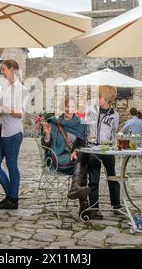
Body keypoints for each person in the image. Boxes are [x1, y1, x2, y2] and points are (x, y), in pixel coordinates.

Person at [70, 85, 121, 220]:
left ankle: (116, 204)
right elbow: (83, 124)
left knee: (112, 176)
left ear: (107, 98)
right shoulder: (92, 110)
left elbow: (114, 131)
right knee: (94, 179)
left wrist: (113, 143)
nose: (98, 98)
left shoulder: (115, 115)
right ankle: (94, 208)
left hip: (108, 149)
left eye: (100, 96)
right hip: (93, 148)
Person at [0, 60, 29, 210]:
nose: (2, 72)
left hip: (13, 132)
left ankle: (12, 200)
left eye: (4, 69)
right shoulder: (4, 88)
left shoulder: (23, 90)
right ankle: (11, 195)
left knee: (11, 164)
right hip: (0, 131)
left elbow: (21, 114)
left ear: (12, 70)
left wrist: (8, 110)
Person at [41, 96, 86, 214]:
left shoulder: (80, 124)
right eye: (67, 106)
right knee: (83, 164)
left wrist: (76, 150)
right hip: (59, 158)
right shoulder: (54, 123)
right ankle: (84, 207)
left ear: (75, 108)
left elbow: (83, 143)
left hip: (74, 157)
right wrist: (47, 134)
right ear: (63, 107)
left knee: (82, 158)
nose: (69, 109)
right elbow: (45, 145)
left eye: (72, 107)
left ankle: (76, 188)